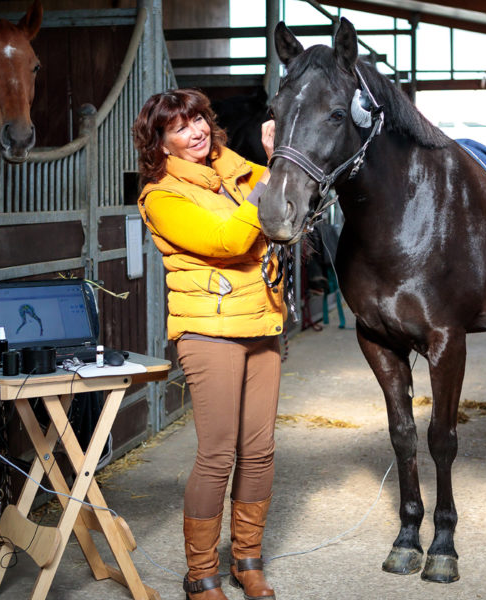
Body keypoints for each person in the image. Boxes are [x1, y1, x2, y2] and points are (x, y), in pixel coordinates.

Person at [132, 89, 283, 600]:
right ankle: (200, 574)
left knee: (259, 451)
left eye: (197, 119)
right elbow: (227, 241)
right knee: (218, 454)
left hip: (262, 321)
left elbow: (286, 197)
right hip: (209, 330)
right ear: (161, 144)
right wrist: (269, 177)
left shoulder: (233, 168)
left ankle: (247, 559)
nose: (195, 131)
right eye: (179, 127)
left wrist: (276, 160)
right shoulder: (162, 196)